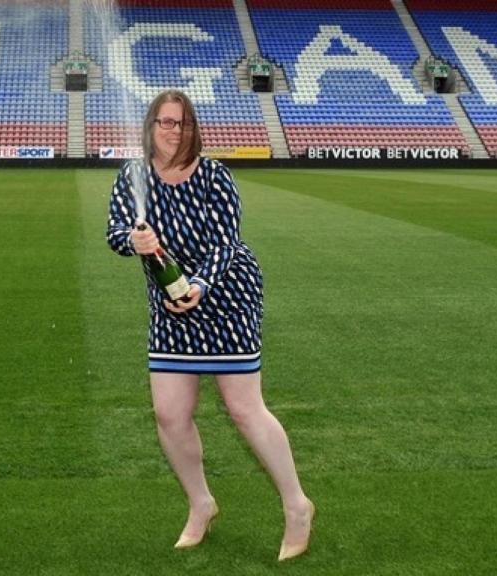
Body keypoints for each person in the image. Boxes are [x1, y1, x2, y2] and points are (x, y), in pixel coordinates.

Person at [105, 89, 315, 561]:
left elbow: (226, 244)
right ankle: (201, 503)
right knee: (169, 414)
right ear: (150, 126)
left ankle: (297, 504)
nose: (172, 131)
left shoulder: (214, 175)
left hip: (227, 296)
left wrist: (197, 285)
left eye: (181, 123)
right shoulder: (133, 176)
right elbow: (115, 232)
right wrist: (133, 242)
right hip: (169, 305)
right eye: (165, 122)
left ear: (192, 128)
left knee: (244, 409)